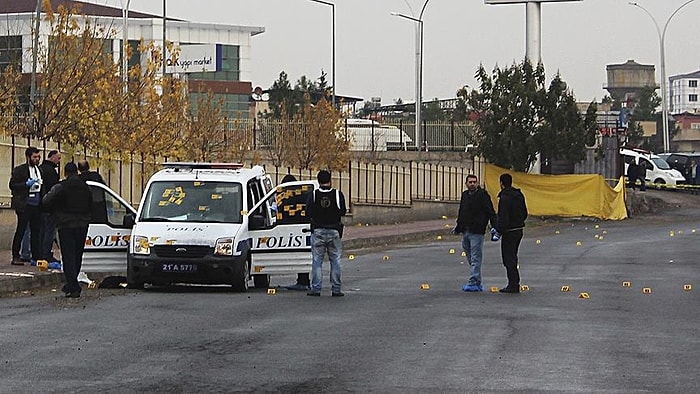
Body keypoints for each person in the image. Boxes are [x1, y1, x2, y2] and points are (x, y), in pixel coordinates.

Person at [42, 162, 93, 298]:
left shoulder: (60, 187)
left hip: (65, 225)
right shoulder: (86, 188)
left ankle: (73, 287)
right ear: (77, 172)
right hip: (82, 225)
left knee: (69, 256)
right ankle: (72, 284)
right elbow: (91, 204)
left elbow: (46, 200)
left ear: (65, 173)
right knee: (77, 255)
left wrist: (54, 212)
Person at [305, 170, 347, 297]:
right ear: (330, 180)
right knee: (336, 261)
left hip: (318, 231)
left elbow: (308, 212)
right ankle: (336, 289)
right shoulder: (337, 194)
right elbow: (343, 211)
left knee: (317, 261)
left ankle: (316, 288)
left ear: (318, 181)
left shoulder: (313, 195)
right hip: (334, 231)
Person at [454, 174, 497, 292]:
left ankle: (474, 281)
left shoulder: (483, 195)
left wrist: (495, 226)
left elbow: (490, 211)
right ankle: (477, 280)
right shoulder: (465, 195)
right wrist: (458, 226)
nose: (472, 184)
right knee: (469, 255)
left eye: (474, 182)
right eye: (470, 182)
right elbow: (462, 211)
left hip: (477, 230)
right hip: (466, 230)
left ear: (478, 183)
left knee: (476, 256)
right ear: (466, 183)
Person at [9, 147, 44, 266]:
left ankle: (36, 255)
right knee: (21, 229)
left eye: (38, 157)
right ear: (28, 157)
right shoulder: (20, 170)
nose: (37, 159)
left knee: (36, 231)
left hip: (36, 204)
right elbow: (12, 185)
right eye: (34, 157)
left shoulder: (39, 170)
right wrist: (26, 184)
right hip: (25, 203)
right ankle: (16, 255)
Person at [494, 173, 528, 294]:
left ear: (501, 183)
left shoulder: (505, 198)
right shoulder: (519, 195)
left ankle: (513, 284)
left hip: (509, 231)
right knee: (513, 256)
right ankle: (514, 283)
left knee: (508, 258)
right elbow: (525, 212)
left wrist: (498, 230)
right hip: (519, 230)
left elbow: (503, 217)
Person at [279, 174, 313, 291]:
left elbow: (279, 210)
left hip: (290, 228)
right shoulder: (305, 194)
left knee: (300, 255)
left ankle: (303, 281)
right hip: (304, 228)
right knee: (303, 256)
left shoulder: (285, 196)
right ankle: (305, 280)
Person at [39, 150, 61, 262]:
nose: (59, 161)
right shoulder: (51, 172)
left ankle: (40, 253)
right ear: (52, 157)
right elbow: (53, 191)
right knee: (49, 232)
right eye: (58, 158)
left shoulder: (41, 168)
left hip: (40, 206)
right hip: (50, 207)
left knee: (42, 231)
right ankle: (46, 254)